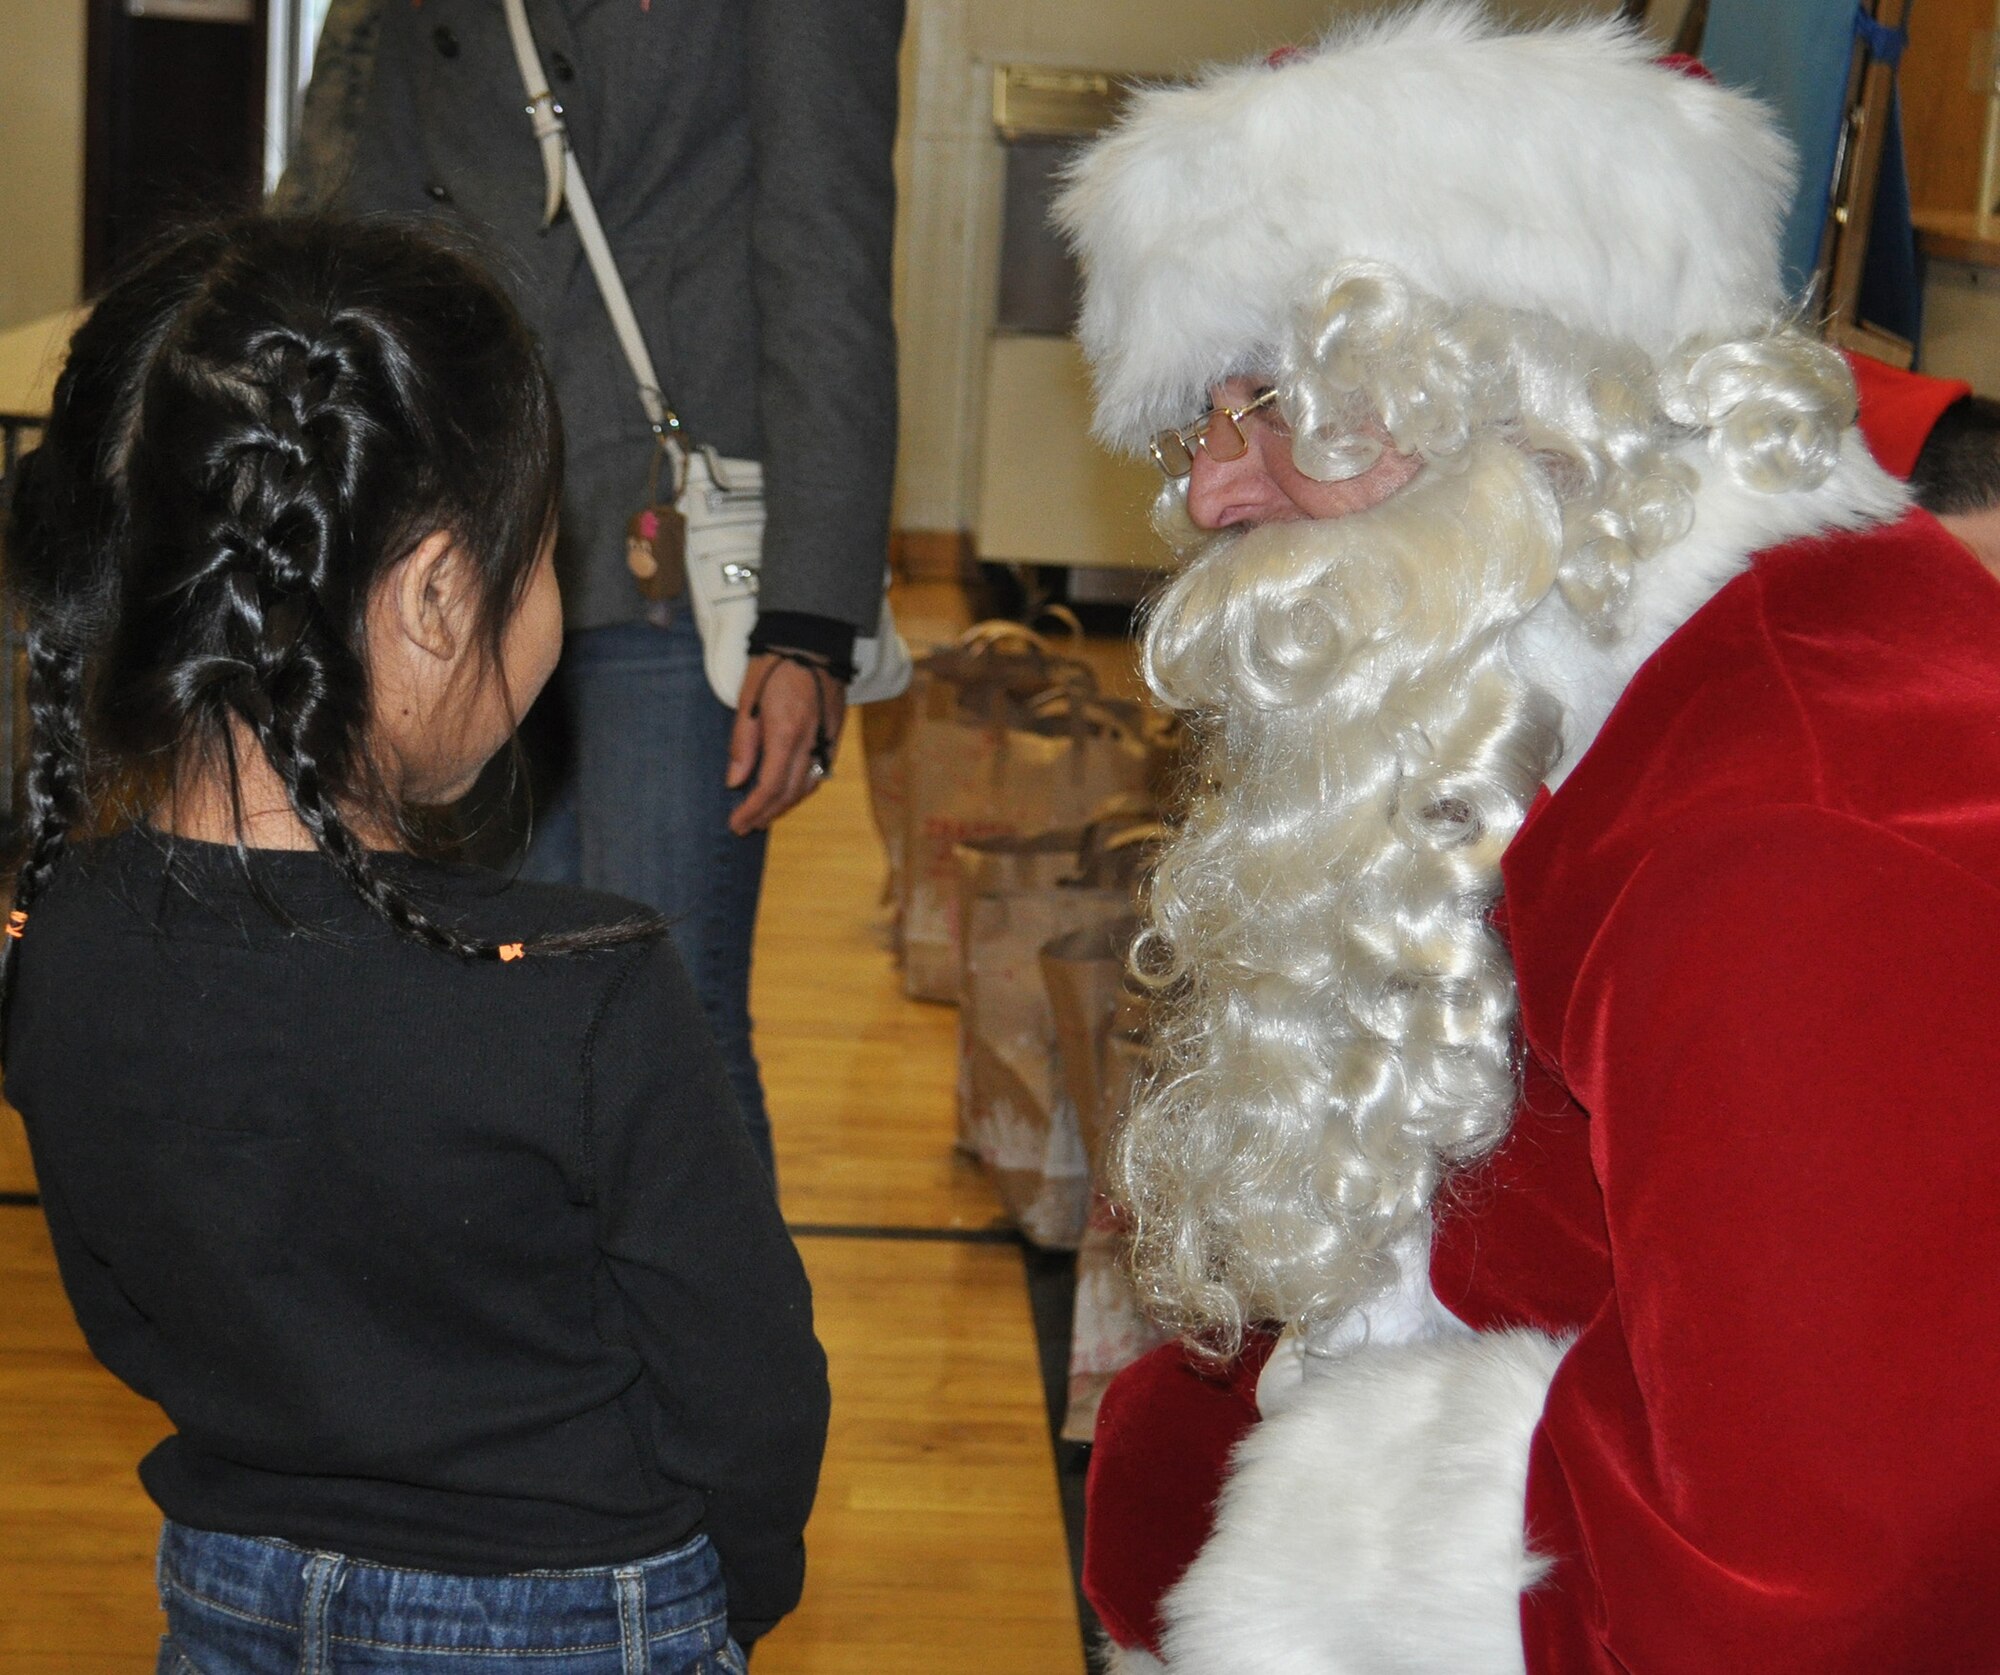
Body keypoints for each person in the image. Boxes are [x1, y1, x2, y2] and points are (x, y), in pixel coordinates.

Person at [1054, 9, 2000, 1671]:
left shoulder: (1801, 818)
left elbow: (1814, 1589)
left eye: (1277, 404)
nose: (1210, 494)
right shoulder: (1540, 701)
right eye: (1202, 420)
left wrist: (1312, 1562)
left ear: (1533, 406)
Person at [2, 215, 828, 1672]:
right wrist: (726, 1600)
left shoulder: (55, 948)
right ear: (440, 596)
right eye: (541, 545)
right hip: (581, 1609)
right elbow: (748, 1393)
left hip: (228, 1598)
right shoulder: (589, 988)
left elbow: (126, 1308)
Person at [324, 0, 904, 1177]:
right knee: (489, 1018)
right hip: (458, 548)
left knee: (666, 1028)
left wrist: (808, 622)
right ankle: (544, 1355)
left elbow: (823, 251)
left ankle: (730, 1363)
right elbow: (364, 225)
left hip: (663, 551)